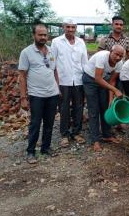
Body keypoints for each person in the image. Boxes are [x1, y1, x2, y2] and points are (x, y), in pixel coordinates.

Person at [18, 24, 60, 164]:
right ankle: (31, 152)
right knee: (35, 123)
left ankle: (45, 148)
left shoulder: (51, 51)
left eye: (45, 35)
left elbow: (54, 71)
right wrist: (23, 98)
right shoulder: (26, 52)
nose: (43, 37)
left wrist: (58, 88)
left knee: (49, 123)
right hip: (36, 95)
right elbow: (22, 76)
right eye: (40, 34)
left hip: (52, 94)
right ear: (34, 35)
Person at [51, 18, 88, 147]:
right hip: (63, 80)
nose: (71, 29)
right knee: (64, 108)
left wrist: (86, 79)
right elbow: (53, 63)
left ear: (76, 28)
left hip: (78, 80)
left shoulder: (81, 42)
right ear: (63, 27)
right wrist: (55, 83)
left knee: (79, 107)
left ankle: (76, 132)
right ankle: (65, 134)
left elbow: (85, 62)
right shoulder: (56, 42)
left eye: (73, 27)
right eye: (68, 27)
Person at [83, 46, 125, 152]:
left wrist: (110, 99)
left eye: (121, 56)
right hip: (90, 79)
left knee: (105, 107)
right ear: (110, 52)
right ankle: (95, 140)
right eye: (116, 54)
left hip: (104, 80)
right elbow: (97, 78)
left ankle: (106, 135)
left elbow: (112, 81)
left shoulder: (119, 63)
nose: (118, 57)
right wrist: (115, 90)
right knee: (93, 110)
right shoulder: (102, 57)